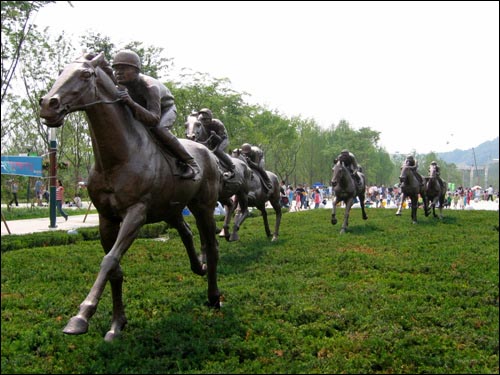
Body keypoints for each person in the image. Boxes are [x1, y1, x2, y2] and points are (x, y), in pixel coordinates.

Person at [112, 49, 200, 180]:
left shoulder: (150, 87)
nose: (118, 72)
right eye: (116, 69)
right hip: (141, 107)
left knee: (159, 129)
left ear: (136, 70)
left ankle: (191, 163)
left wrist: (131, 103)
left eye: (123, 68)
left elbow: (153, 119)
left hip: (164, 109)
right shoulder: (118, 82)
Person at [197, 108, 235, 178]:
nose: (204, 122)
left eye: (206, 119)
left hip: (222, 139)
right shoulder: (201, 125)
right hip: (211, 140)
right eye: (202, 120)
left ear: (210, 118)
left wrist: (215, 135)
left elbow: (220, 139)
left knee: (218, 151)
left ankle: (231, 166)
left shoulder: (218, 124)